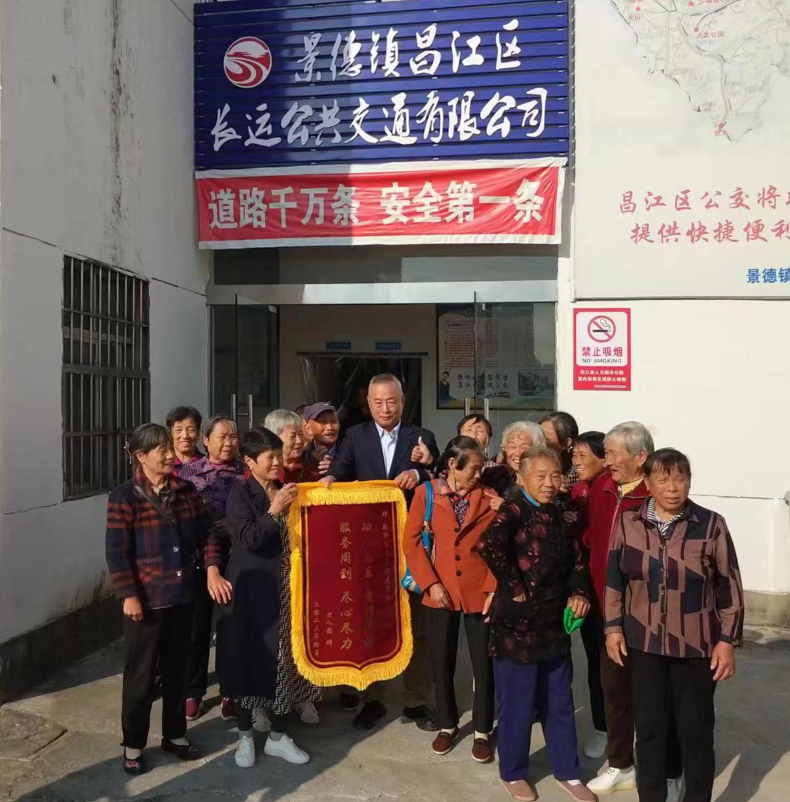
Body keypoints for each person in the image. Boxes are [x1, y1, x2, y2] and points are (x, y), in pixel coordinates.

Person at [605, 449, 744, 802]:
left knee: (696, 732)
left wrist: (727, 640)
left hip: (696, 645)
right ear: (648, 483)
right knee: (649, 729)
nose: (672, 488)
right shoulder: (629, 522)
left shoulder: (711, 525)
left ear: (689, 482)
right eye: (663, 479)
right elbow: (614, 580)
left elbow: (729, 584)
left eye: (680, 479)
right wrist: (613, 627)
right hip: (644, 642)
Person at [106, 424, 229, 775]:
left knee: (178, 671)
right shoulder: (124, 497)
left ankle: (175, 735)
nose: (168, 453)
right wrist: (128, 595)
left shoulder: (186, 491)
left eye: (167, 446)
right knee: (141, 676)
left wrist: (211, 569)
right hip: (146, 600)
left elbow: (207, 534)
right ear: (140, 456)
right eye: (159, 448)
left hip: (182, 596)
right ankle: (133, 743)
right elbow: (117, 552)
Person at [322, 373, 440, 731]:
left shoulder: (421, 437)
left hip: (413, 546)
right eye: (378, 402)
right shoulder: (355, 436)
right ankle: (374, 697)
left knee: (415, 623)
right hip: (369, 546)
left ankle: (416, 699)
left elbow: (439, 476)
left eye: (391, 401)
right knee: (371, 622)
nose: (385, 408)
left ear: (402, 402)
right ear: (368, 403)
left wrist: (422, 472)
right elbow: (340, 474)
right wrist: (328, 481)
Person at [478, 447, 596, 802]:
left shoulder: (559, 513)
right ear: (521, 478)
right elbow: (489, 545)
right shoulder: (513, 510)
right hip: (516, 627)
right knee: (517, 703)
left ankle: (568, 771)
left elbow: (577, 560)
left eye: (555, 475)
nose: (549, 483)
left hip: (553, 623)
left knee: (558, 700)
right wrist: (514, 586)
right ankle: (513, 771)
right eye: (540, 476)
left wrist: (579, 592)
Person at [585, 423, 682, 799]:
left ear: (640, 457)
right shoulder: (602, 488)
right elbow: (590, 543)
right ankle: (621, 764)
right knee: (615, 693)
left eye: (612, 453)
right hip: (608, 613)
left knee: (659, 698)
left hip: (650, 616)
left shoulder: (656, 496)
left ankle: (670, 772)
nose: (606, 459)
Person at [220, 428, 320, 768]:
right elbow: (246, 538)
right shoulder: (239, 493)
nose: (278, 462)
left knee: (284, 663)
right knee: (246, 661)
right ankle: (245, 737)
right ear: (250, 462)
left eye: (279, 455)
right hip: (250, 590)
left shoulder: (287, 489)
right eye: (270, 457)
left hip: (286, 590)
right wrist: (274, 511)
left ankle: (279, 734)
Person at [403, 436, 500, 763]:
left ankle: (482, 729)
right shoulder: (426, 494)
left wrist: (492, 587)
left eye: (482, 467)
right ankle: (447, 723)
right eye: (473, 468)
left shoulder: (489, 498)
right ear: (452, 465)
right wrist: (430, 584)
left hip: (479, 592)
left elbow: (498, 547)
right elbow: (411, 543)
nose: (479, 474)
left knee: (483, 664)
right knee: (440, 661)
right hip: (439, 590)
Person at [177, 415, 246, 723]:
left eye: (233, 437)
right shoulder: (188, 474)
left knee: (230, 625)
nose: (229, 443)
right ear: (206, 440)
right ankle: (193, 691)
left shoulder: (246, 472)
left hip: (237, 557)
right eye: (222, 437)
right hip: (197, 559)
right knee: (196, 627)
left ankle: (230, 690)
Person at [568, 431, 609, 760]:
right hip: (587, 588)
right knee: (596, 662)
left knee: (614, 665)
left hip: (613, 591)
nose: (576, 462)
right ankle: (603, 727)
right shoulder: (579, 490)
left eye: (583, 456)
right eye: (574, 455)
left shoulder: (613, 490)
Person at [482, 421, 546, 499]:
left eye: (524, 447)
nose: (517, 453)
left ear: (537, 450)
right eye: (512, 447)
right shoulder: (494, 475)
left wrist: (505, 505)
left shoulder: (545, 479)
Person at [263, 409, 305, 484]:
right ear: (275, 437)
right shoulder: (264, 470)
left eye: (301, 434)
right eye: (292, 436)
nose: (299, 441)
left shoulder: (312, 465)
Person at [540, 411, 580, 490]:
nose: (539, 441)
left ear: (567, 443)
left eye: (546, 438)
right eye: (538, 435)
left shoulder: (576, 473)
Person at [301, 402, 340, 478]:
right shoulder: (302, 455)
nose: (330, 427)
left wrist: (336, 469)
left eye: (333, 421)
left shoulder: (350, 450)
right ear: (308, 429)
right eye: (323, 422)